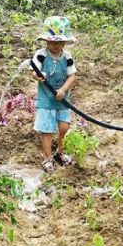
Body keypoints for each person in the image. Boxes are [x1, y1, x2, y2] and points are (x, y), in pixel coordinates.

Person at [32, 16, 77, 172]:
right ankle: (47, 158)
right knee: (47, 129)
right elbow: (34, 70)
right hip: (46, 99)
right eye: (51, 42)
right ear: (46, 41)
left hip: (62, 98)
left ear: (64, 43)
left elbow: (72, 75)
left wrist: (63, 90)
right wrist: (37, 75)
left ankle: (60, 152)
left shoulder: (67, 56)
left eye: (58, 43)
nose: (55, 45)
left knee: (64, 127)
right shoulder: (42, 54)